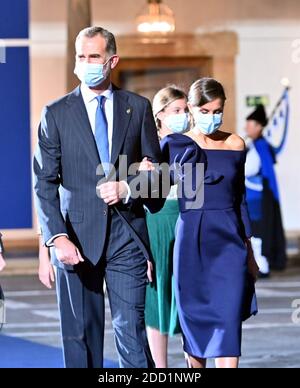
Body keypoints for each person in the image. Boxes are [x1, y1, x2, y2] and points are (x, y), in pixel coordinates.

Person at [33, 26, 164, 368]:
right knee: (81, 336)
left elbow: (160, 180)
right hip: (75, 239)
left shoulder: (138, 108)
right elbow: (44, 183)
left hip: (126, 236)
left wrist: (129, 186)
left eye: (94, 56)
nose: (87, 63)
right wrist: (56, 239)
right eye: (81, 56)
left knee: (131, 332)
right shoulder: (56, 114)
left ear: (112, 60)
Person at [159, 78, 259, 368]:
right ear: (190, 108)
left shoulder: (235, 143)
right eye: (205, 110)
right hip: (192, 240)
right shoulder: (174, 144)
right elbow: (150, 188)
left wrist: (249, 251)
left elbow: (239, 198)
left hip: (229, 242)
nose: (212, 117)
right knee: (195, 323)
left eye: (218, 111)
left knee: (228, 322)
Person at [143, 86, 189, 368]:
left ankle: (192, 364)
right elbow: (137, 198)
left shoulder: (193, 145)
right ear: (159, 115)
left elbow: (195, 198)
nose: (183, 116)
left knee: (187, 298)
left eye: (185, 111)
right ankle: (160, 369)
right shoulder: (144, 148)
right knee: (156, 300)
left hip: (185, 224)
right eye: (176, 111)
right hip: (155, 226)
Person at [245, 105, 287, 277]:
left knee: (258, 233)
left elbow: (250, 169)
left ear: (259, 127)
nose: (246, 128)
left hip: (258, 198)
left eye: (250, 124)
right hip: (255, 196)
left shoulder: (259, 146)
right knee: (255, 232)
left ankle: (262, 266)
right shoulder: (255, 145)